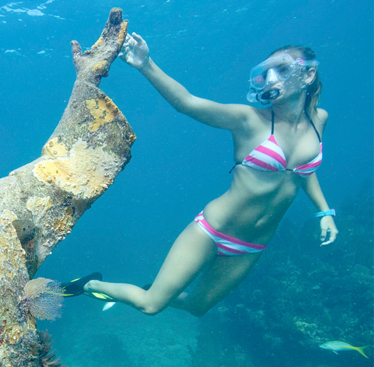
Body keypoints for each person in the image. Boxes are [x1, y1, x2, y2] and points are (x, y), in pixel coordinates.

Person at [61, 33, 338, 317]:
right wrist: (146, 64)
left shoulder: (319, 121)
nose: (269, 79)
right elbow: (187, 103)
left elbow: (303, 171)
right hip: (213, 230)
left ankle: (159, 288)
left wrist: (324, 211)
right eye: (265, 73)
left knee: (197, 306)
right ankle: (89, 284)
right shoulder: (249, 120)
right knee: (151, 305)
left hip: (252, 244)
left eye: (280, 70)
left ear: (308, 74)